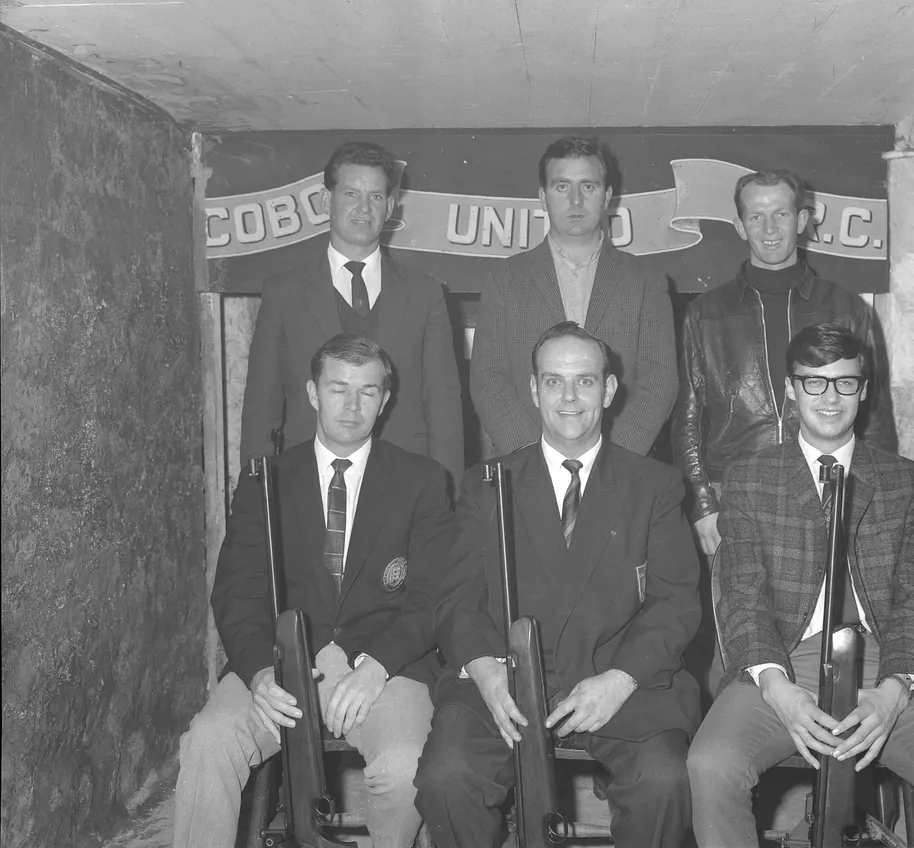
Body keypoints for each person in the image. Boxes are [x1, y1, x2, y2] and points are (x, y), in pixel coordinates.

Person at [687, 324, 914, 847]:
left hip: (886, 661)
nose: (830, 398)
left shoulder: (908, 482)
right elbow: (741, 595)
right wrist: (776, 687)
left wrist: (895, 692)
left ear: (864, 389)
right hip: (783, 659)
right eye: (814, 383)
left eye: (845, 383)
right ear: (790, 388)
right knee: (710, 766)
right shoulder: (750, 479)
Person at [416, 322, 700, 848]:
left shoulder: (653, 485)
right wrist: (483, 669)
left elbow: (676, 602)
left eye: (585, 382)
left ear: (609, 390)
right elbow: (456, 600)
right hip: (504, 681)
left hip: (617, 676)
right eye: (553, 382)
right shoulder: (486, 484)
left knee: (664, 782)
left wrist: (620, 679)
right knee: (446, 778)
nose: (569, 398)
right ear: (533, 390)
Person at [174, 333, 453, 848]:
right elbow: (236, 592)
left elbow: (432, 597)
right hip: (279, 668)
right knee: (208, 743)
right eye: (337, 388)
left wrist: (374, 668)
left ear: (385, 399)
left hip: (382, 668)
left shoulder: (423, 481)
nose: (351, 406)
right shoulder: (265, 480)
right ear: (311, 392)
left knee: (405, 767)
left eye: (367, 391)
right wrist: (259, 672)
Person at [672, 169, 896, 559]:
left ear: (803, 220)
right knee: (742, 619)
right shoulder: (706, 313)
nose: (769, 227)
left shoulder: (846, 308)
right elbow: (687, 418)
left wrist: (873, 503)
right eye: (756, 216)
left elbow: (874, 414)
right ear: (740, 227)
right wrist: (703, 504)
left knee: (828, 621)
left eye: (781, 214)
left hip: (830, 488)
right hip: (736, 494)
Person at [240, 140, 464, 487]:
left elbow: (444, 407)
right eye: (350, 195)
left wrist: (448, 495)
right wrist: (256, 493)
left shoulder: (425, 293)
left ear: (390, 207)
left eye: (375, 197)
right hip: (308, 481)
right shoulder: (283, 293)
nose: (364, 208)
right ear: (327, 200)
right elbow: (261, 405)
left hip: (404, 484)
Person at [470, 136, 676, 457]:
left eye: (588, 187)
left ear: (607, 196)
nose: (576, 200)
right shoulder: (505, 279)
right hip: (527, 467)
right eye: (562, 187)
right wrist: (535, 457)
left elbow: (659, 378)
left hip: (621, 470)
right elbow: (488, 379)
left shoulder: (646, 281)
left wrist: (611, 460)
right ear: (543, 196)